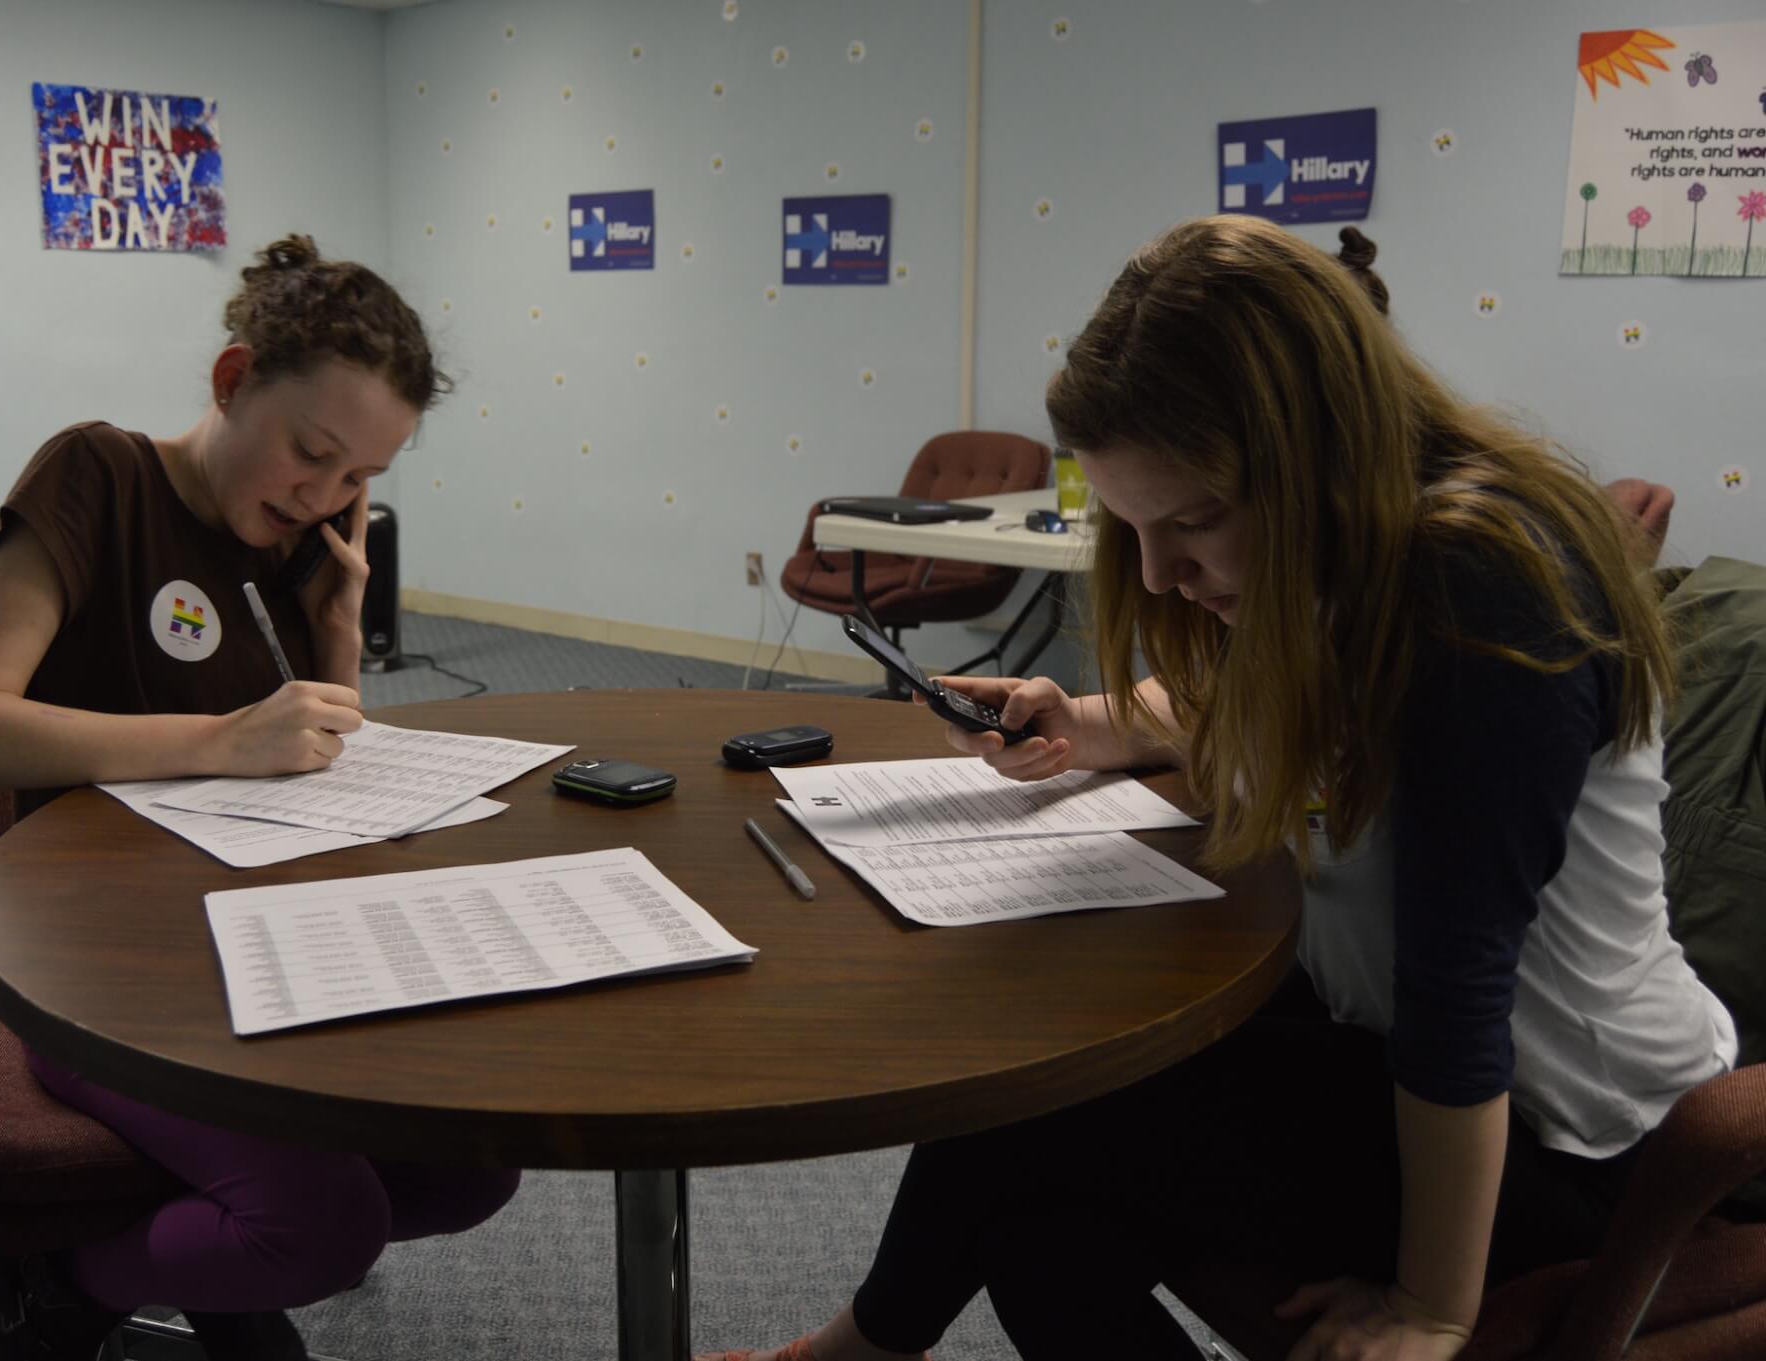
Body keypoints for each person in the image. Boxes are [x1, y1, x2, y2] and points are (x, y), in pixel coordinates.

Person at [701, 215, 1735, 1361]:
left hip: (1568, 1136)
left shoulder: (1482, 593)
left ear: (1321, 459)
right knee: (1039, 1192)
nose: (1158, 573)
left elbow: (1457, 989)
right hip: (1388, 1045)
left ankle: (847, 1354)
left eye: (1192, 521)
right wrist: (1082, 719)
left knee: (1041, 1135)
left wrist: (1430, 1303)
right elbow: (1262, 720)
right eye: (1132, 526)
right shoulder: (1338, 556)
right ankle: (853, 1351)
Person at [0, 235, 519, 1361]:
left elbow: (304, 768)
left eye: (359, 480)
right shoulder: (96, 476)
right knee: (318, 1225)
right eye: (310, 452)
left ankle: (164, 1261)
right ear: (232, 380)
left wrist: (336, 637)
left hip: (257, 947)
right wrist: (217, 739)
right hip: (92, 973)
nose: (324, 495)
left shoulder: (294, 551)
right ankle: (58, 1278)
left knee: (471, 1164)